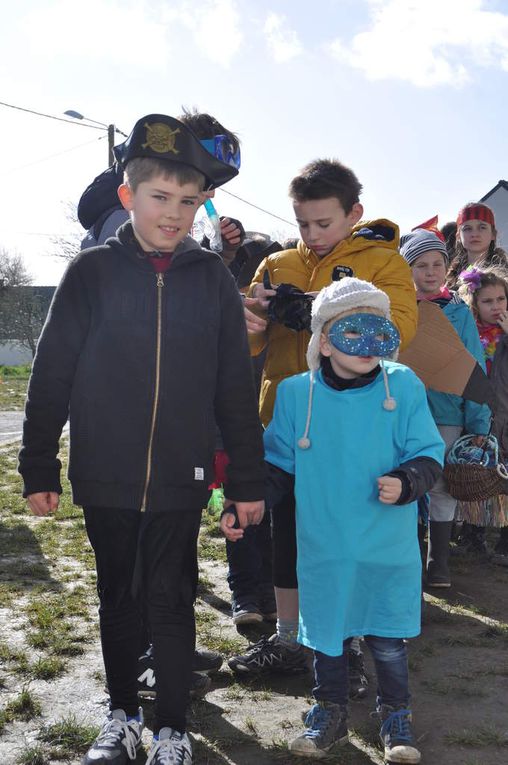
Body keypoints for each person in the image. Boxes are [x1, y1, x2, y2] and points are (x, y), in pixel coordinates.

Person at [18, 113, 265, 765]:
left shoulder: (213, 279)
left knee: (170, 596)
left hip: (182, 477)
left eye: (190, 201)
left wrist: (245, 480)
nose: (175, 213)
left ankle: (173, 728)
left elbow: (233, 389)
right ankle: (123, 715)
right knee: (118, 594)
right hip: (105, 470)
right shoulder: (91, 273)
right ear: (128, 196)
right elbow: (53, 370)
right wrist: (38, 461)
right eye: (161, 197)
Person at [223, 278, 443, 763]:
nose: (369, 344)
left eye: (379, 331)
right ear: (324, 339)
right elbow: (278, 462)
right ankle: (329, 711)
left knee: (386, 638)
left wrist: (408, 480)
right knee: (328, 635)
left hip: (385, 542)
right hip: (323, 542)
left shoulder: (401, 385)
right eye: (353, 330)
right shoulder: (296, 394)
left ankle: (395, 717)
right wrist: (247, 505)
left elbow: (429, 450)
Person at [229, 158, 418, 690]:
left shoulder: (383, 262)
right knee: (287, 537)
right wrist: (250, 317)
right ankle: (291, 637)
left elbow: (395, 330)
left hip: (357, 431)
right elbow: (247, 343)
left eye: (324, 224)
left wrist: (315, 311)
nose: (311, 236)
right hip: (287, 422)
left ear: (353, 213)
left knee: (346, 539)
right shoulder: (276, 262)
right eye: (303, 223)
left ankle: (349, 644)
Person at [400, 229, 491, 586]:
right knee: (409, 483)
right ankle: (411, 557)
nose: (430, 271)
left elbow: (473, 366)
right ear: (406, 270)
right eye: (420, 265)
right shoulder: (400, 311)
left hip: (447, 415)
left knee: (441, 485)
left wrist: (478, 421)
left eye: (437, 263)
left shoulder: (458, 312)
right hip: (404, 416)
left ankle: (439, 562)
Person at [78, 107, 245, 255]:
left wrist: (220, 249)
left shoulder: (157, 223)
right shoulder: (126, 224)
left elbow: (184, 277)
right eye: (207, 181)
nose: (212, 193)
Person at [457, 266, 508, 559]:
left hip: (506, 413)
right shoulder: (471, 334)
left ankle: (504, 539)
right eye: (488, 301)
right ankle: (473, 534)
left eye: (501, 299)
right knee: (478, 473)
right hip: (481, 414)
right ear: (475, 305)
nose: (496, 306)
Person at [446, 203, 508, 288]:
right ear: (458, 236)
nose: (474, 234)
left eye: (482, 227)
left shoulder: (505, 272)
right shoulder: (450, 274)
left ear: (493, 234)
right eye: (467, 228)